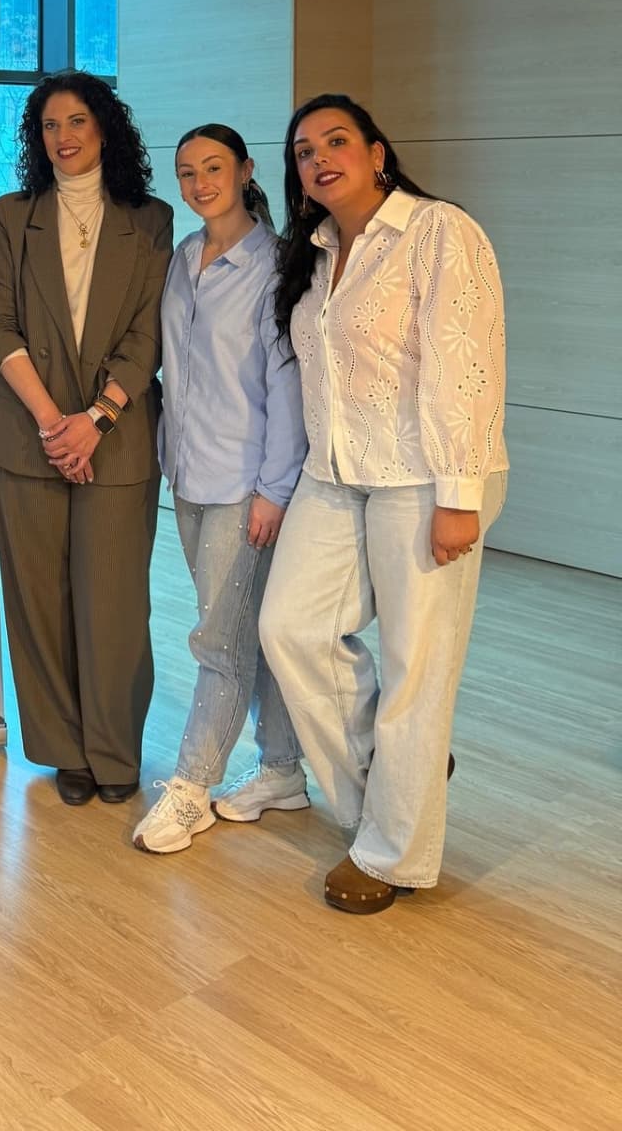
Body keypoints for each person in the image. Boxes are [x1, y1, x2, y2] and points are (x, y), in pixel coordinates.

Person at [259, 93, 508, 913]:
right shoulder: (316, 252)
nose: (319, 158)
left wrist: (459, 495)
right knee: (289, 629)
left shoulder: (438, 232)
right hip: (335, 474)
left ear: (376, 153)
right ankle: (393, 779)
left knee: (415, 665)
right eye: (303, 151)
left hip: (424, 475)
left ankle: (390, 851)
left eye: (336, 141)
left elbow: (465, 366)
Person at [0, 72, 172, 807]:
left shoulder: (151, 219)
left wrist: (96, 420)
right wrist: (54, 422)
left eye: (77, 121)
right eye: (50, 125)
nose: (63, 137)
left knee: (113, 603)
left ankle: (115, 753)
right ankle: (67, 754)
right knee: (40, 602)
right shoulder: (11, 216)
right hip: (28, 437)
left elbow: (149, 331)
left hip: (116, 438)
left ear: (105, 127)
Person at [132, 125, 308, 854]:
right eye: (187, 172)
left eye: (213, 168)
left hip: (246, 482)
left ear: (244, 170)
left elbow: (287, 384)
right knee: (249, 631)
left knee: (219, 640)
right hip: (189, 474)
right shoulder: (182, 259)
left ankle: (192, 787)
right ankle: (283, 769)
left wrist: (275, 489)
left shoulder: (275, 266)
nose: (200, 183)